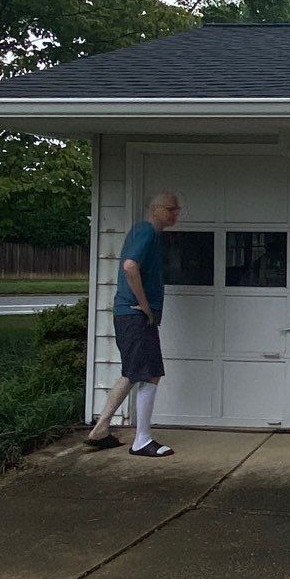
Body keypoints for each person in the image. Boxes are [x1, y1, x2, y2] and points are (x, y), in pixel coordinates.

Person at [86, 192, 181, 456]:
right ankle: (142, 440)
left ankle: (100, 430)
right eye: (172, 209)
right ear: (158, 209)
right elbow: (130, 267)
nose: (176, 214)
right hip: (135, 315)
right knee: (151, 374)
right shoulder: (146, 231)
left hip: (128, 315)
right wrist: (146, 305)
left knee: (132, 372)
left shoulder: (148, 234)